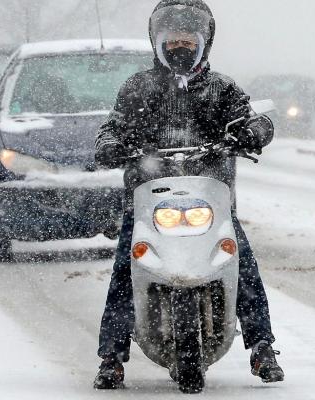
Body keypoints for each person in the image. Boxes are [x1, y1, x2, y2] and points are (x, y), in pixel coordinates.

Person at [93, 0, 284, 390]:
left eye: (187, 39)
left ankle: (261, 345)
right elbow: (111, 128)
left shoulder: (223, 88)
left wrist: (253, 133)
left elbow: (254, 121)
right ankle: (111, 357)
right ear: (157, 41)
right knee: (124, 272)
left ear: (204, 42)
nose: (180, 46)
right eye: (172, 39)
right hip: (147, 201)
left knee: (242, 263)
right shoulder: (137, 87)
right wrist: (112, 144)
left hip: (212, 203)